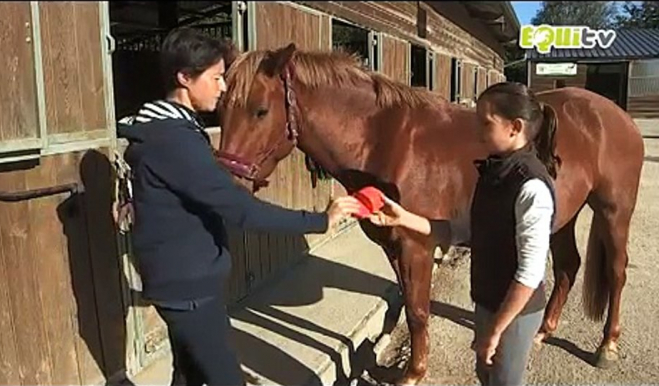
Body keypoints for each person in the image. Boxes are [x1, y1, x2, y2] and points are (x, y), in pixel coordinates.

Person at [116, 27, 362, 386]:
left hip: (182, 282)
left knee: (188, 373)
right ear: (185, 78)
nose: (223, 87)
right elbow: (241, 210)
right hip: (190, 290)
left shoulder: (169, 130)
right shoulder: (174, 141)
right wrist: (320, 220)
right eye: (216, 78)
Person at [368, 81, 559, 386]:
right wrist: (402, 218)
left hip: (515, 312)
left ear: (515, 127)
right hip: (487, 300)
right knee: (486, 376)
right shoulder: (493, 172)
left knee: (505, 382)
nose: (477, 131)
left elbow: (531, 272)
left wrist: (496, 330)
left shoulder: (532, 188)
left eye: (486, 122)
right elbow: (459, 231)